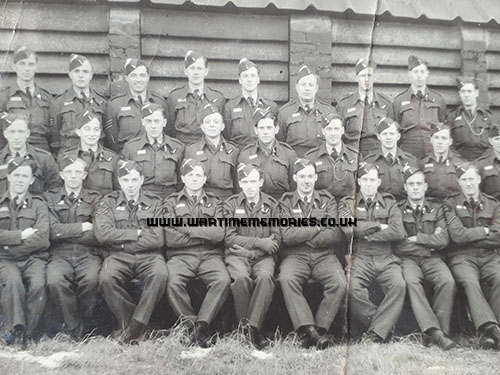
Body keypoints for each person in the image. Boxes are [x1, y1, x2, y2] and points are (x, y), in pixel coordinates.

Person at [95, 161, 167, 344]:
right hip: (118, 257)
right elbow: (103, 234)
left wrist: (121, 241)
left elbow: (157, 238)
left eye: (134, 179)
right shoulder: (107, 202)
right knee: (107, 278)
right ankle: (138, 327)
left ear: (142, 180)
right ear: (119, 181)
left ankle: (133, 328)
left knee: (159, 274)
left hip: (149, 256)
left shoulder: (155, 203)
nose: (130, 184)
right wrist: (136, 233)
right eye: (126, 180)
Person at [277, 159, 346, 349]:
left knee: (339, 282)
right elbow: (287, 235)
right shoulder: (286, 201)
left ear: (315, 178)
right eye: (302, 177)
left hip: (324, 255)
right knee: (286, 279)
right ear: (295, 178)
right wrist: (317, 226)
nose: (306, 181)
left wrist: (304, 234)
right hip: (295, 256)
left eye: (309, 176)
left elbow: (334, 233)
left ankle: (320, 330)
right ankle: (308, 329)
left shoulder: (327, 199)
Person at [162, 159, 231, 347]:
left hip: (210, 255)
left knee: (222, 280)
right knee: (171, 282)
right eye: (190, 175)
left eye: (198, 175)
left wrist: (188, 230)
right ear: (183, 178)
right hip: (180, 256)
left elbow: (219, 233)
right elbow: (170, 237)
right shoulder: (171, 202)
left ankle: (202, 325)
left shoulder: (215, 202)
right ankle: (192, 326)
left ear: (204, 178)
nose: (194, 179)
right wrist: (204, 233)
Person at [339, 162, 406, 343]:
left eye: (372, 180)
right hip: (360, 256)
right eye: (365, 180)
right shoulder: (347, 203)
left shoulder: (390, 203)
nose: (369, 184)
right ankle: (382, 327)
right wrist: (377, 226)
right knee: (352, 288)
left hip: (386, 257)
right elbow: (347, 229)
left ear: (379, 182)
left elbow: (398, 231)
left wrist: (366, 234)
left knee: (398, 285)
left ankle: (375, 332)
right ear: (359, 181)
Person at [395, 167, 457, 350]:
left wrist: (418, 238)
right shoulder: (397, 209)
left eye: (419, 184)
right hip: (409, 260)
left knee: (447, 281)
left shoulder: (437, 209)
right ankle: (435, 332)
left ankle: (439, 332)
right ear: (405, 187)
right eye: (411, 184)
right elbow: (398, 244)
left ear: (425, 187)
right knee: (412, 283)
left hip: (433, 259)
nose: (415, 188)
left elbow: (443, 239)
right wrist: (430, 242)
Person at [443, 163, 500, 350]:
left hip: (489, 257)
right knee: (470, 281)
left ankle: (488, 334)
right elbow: (456, 236)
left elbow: (498, 236)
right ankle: (491, 328)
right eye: (464, 179)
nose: (468, 183)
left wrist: (470, 236)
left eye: (471, 179)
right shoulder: (449, 203)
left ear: (479, 179)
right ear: (459, 181)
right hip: (462, 257)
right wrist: (484, 231)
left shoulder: (494, 204)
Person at [223, 164, 280, 349]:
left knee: (265, 278)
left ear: (261, 182)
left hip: (263, 257)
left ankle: (251, 329)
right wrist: (258, 242)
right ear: (239, 183)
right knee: (240, 278)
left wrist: (253, 251)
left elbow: (275, 240)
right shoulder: (231, 204)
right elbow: (229, 237)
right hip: (236, 256)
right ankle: (250, 331)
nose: (249, 186)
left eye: (253, 181)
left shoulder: (272, 205)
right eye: (245, 182)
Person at [44, 156, 102, 339]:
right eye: (69, 172)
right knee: (55, 280)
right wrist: (81, 227)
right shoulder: (50, 198)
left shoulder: (94, 198)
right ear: (61, 174)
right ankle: (73, 328)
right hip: (59, 253)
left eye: (78, 172)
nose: (73, 176)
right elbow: (52, 231)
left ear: (84, 175)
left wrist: (66, 231)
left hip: (88, 253)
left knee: (91, 280)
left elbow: (98, 232)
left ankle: (85, 325)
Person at [0, 158, 50, 345]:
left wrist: (7, 244)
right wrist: (20, 236)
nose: (20, 180)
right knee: (13, 282)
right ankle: (14, 330)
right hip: (5, 261)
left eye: (25, 176)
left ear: (31, 180)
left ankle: (27, 333)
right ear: (9, 177)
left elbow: (42, 237)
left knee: (38, 284)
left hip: (33, 258)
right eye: (16, 175)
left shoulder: (39, 204)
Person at [121, 103, 184, 198]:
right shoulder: (131, 147)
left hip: (169, 196)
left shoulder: (177, 147)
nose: (153, 126)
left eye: (157, 121)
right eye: (149, 121)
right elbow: (125, 178)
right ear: (143, 122)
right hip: (142, 196)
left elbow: (181, 179)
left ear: (164, 122)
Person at [105, 59, 167, 153]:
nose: (138, 80)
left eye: (142, 75)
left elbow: (168, 132)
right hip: (128, 159)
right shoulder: (115, 104)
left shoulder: (159, 102)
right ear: (126, 78)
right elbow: (111, 139)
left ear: (148, 77)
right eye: (133, 75)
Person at [0, 46, 54, 152]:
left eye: (31, 64)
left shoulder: (47, 98)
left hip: (42, 149)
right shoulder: (4, 96)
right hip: (14, 148)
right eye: (22, 64)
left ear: (36, 67)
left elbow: (54, 131)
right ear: (14, 67)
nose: (27, 69)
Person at [50, 54, 107, 154]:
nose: (81, 75)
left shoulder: (102, 102)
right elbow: (55, 139)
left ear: (91, 76)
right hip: (69, 158)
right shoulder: (58, 103)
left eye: (85, 71)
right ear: (70, 75)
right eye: (77, 71)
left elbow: (108, 136)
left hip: (96, 157)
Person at [392, 55, 447, 160]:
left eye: (422, 72)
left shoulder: (438, 100)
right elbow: (395, 128)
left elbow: (442, 124)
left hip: (432, 151)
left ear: (427, 74)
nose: (419, 76)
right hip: (407, 150)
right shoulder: (399, 101)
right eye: (415, 72)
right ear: (409, 74)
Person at [166, 51, 225, 145]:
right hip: (182, 146)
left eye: (199, 68)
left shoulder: (217, 98)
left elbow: (223, 129)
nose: (196, 72)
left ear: (206, 71)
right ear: (186, 71)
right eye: (192, 68)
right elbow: (169, 129)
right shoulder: (175, 97)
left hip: (207, 147)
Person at [336, 59, 393, 156]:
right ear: (356, 78)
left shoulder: (385, 103)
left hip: (379, 154)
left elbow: (393, 133)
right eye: (362, 76)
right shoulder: (344, 104)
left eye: (369, 75)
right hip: (353, 154)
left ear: (374, 77)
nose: (366, 79)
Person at [237, 106, 297, 200]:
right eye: (261, 128)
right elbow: (240, 187)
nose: (265, 132)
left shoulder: (288, 154)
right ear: (256, 130)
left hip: (281, 202)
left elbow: (294, 186)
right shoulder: (246, 154)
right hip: (255, 203)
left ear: (276, 129)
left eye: (269, 128)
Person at [277, 64, 336, 157]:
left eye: (311, 85)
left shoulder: (328, 111)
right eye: (303, 84)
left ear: (316, 88)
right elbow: (280, 143)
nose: (307, 88)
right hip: (295, 161)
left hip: (321, 159)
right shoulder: (285, 112)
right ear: (297, 87)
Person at [184, 103, 239, 200]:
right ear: (202, 127)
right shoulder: (191, 150)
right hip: (201, 198)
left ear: (222, 126)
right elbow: (185, 180)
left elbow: (237, 183)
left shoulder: (233, 151)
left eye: (216, 122)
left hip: (225, 199)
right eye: (208, 122)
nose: (212, 125)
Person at [59, 110, 119, 195]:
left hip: (104, 205)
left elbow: (118, 191)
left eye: (96, 129)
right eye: (87, 129)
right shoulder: (67, 156)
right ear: (78, 132)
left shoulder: (112, 158)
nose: (92, 134)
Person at [0, 113, 61, 195]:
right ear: (5, 134)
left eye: (21, 132)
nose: (16, 137)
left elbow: (55, 188)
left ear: (27, 133)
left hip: (36, 206)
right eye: (12, 132)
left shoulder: (44, 159)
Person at [223, 58, 278, 147]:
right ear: (240, 80)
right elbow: (227, 135)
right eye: (245, 76)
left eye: (252, 76)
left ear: (258, 79)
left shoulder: (270, 106)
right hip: (239, 155)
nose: (249, 79)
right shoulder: (230, 107)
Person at [305, 112, 360, 201]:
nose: (333, 133)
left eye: (336, 129)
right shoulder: (311, 157)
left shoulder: (354, 155)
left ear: (342, 130)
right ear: (323, 131)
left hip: (348, 205)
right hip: (321, 205)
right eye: (329, 129)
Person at [365, 118, 417, 201]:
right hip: (379, 206)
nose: (388, 137)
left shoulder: (410, 161)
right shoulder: (369, 161)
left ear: (398, 136)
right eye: (384, 134)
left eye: (392, 134)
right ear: (378, 136)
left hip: (403, 206)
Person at [447, 78, 493, 161]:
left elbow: (493, 144)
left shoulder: (487, 117)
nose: (466, 95)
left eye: (469, 91)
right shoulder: (452, 116)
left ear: (476, 93)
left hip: (483, 160)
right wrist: (460, 162)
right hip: (459, 160)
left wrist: (480, 163)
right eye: (463, 91)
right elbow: (447, 143)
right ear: (459, 94)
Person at [419, 123, 463, 199]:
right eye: (436, 137)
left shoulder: (459, 163)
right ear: (431, 140)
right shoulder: (423, 163)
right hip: (431, 204)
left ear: (450, 141)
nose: (439, 142)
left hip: (452, 204)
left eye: (444, 138)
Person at [477, 124, 500, 201]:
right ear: (490, 141)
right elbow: (478, 193)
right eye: (497, 139)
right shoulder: (482, 164)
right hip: (492, 207)